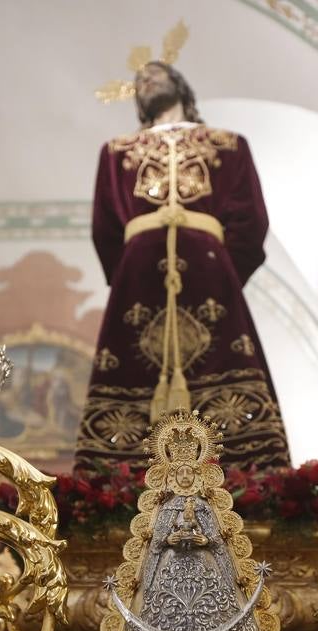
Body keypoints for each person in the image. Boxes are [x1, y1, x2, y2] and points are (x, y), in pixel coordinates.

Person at [74, 61, 290, 471]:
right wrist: (127, 277)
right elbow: (104, 227)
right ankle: (120, 470)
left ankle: (246, 466)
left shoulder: (227, 144)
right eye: (139, 80)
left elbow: (252, 220)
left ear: (180, 85)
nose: (146, 80)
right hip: (137, 278)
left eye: (155, 73)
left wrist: (224, 269)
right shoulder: (116, 151)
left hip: (210, 272)